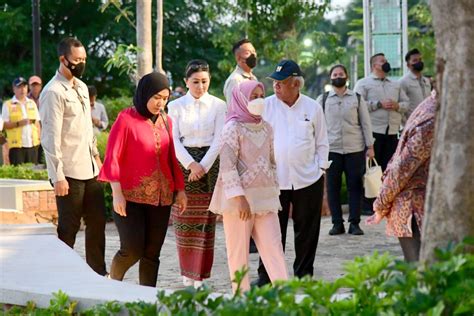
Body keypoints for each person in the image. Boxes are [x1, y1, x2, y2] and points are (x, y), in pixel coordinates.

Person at [99, 72, 187, 287]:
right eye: (157, 97)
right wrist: (117, 193)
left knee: (151, 254)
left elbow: (172, 157)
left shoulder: (167, 121)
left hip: (162, 198)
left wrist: (181, 190)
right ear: (145, 93)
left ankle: (147, 299)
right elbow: (113, 156)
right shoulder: (126, 119)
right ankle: (112, 283)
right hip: (130, 198)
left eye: (165, 98)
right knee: (132, 250)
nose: (161, 103)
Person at [254, 60, 330, 287]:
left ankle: (304, 276)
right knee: (271, 230)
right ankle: (266, 275)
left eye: (281, 83)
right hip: (274, 180)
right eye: (274, 83)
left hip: (308, 179)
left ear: (296, 84)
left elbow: (322, 143)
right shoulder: (265, 106)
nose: (275, 87)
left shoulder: (312, 107)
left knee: (307, 230)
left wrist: (320, 170)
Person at [209, 80, 288, 293]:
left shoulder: (267, 127)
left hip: (265, 200)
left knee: (274, 249)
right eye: (253, 96)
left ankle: (286, 296)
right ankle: (240, 299)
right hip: (238, 203)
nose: (258, 100)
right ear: (242, 99)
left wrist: (275, 194)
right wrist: (239, 198)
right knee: (238, 253)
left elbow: (271, 163)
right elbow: (227, 166)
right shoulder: (231, 128)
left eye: (261, 95)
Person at [40, 37, 107, 276]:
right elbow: (49, 138)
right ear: (63, 59)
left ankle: (97, 274)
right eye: (76, 60)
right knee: (68, 229)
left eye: (84, 60)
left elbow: (86, 128)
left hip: (90, 169)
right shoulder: (52, 92)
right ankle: (61, 276)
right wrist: (57, 176)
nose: (81, 63)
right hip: (68, 172)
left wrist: (97, 158)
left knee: (98, 223)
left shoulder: (80, 86)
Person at [167, 60, 226, 288]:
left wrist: (203, 165)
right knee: (183, 222)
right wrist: (191, 165)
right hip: (183, 164)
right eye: (195, 82)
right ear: (186, 82)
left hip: (210, 166)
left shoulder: (219, 105)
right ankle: (186, 273)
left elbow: (220, 138)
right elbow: (173, 139)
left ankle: (200, 276)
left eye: (204, 81)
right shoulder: (176, 106)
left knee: (205, 223)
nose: (200, 86)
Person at [366, 92, 437, 262]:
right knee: (419, 275)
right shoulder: (432, 118)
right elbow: (401, 169)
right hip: (414, 208)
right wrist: (381, 205)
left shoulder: (431, 105)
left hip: (422, 205)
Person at [317, 64, 374, 236]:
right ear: (331, 78)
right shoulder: (323, 99)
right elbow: (318, 126)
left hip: (354, 148)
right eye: (335, 74)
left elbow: (365, 123)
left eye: (341, 73)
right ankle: (337, 224)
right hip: (332, 149)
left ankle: (354, 223)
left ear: (347, 77)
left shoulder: (357, 98)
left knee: (355, 187)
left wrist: (370, 146)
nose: (338, 76)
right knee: (333, 188)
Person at [354, 53, 410, 172]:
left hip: (392, 133)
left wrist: (397, 106)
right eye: (383, 61)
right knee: (372, 171)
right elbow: (357, 105)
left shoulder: (396, 84)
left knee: (390, 170)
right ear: (374, 65)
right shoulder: (363, 83)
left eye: (386, 60)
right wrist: (378, 104)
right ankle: (372, 191)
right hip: (373, 134)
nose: (386, 63)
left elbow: (406, 104)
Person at [2, 77, 41, 165]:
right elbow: (3, 125)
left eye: (24, 87)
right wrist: (19, 123)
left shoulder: (32, 103)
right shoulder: (7, 105)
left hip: (32, 145)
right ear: (14, 89)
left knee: (32, 174)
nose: (22, 89)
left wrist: (39, 139)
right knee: (18, 174)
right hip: (16, 146)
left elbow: (37, 123)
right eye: (19, 87)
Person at [399, 48, 431, 124]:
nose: (418, 62)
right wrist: (406, 124)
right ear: (408, 65)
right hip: (412, 124)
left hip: (427, 122)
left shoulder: (426, 81)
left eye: (420, 59)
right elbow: (399, 106)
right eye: (415, 60)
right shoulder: (403, 81)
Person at [223, 39, 258, 105]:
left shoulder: (254, 78)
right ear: (238, 58)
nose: (253, 55)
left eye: (254, 51)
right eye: (248, 53)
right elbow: (233, 109)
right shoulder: (235, 80)